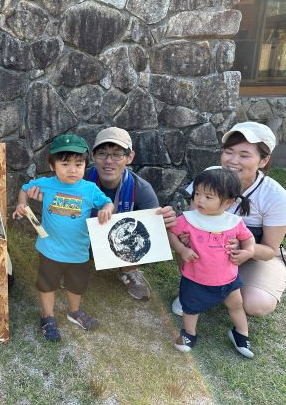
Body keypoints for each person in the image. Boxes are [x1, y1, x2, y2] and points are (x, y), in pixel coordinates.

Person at [27, 127, 177, 300]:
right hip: (80, 239)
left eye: (117, 154)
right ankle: (64, 266)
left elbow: (152, 231)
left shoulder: (141, 189)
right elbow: (55, 201)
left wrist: (164, 221)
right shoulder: (77, 179)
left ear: (130, 157)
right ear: (93, 157)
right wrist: (46, 199)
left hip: (119, 241)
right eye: (102, 154)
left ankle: (128, 270)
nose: (108, 161)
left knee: (141, 238)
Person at [172, 122, 286, 317]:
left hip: (255, 255)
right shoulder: (210, 175)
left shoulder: (276, 196)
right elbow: (194, 219)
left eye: (244, 155)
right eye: (228, 152)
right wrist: (184, 236)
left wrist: (244, 248)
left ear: (263, 160)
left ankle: (234, 284)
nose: (233, 160)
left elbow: (268, 250)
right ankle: (196, 287)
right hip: (209, 250)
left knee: (256, 304)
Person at [13, 134, 114, 342]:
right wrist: (21, 204)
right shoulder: (47, 184)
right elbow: (24, 189)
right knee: (47, 284)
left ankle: (74, 311)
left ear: (85, 164)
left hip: (78, 251)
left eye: (79, 164)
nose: (72, 169)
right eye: (65, 163)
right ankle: (47, 317)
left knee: (76, 285)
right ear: (52, 166)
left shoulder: (89, 189)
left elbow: (107, 202)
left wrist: (106, 209)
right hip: (49, 248)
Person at [168, 169, 255, 358]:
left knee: (236, 305)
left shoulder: (234, 222)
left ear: (229, 202)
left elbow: (249, 240)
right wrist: (182, 250)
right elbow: (172, 233)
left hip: (228, 279)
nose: (200, 200)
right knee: (191, 308)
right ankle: (189, 334)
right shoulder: (188, 219)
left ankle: (241, 333)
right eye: (197, 193)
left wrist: (247, 252)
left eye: (208, 197)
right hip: (196, 277)